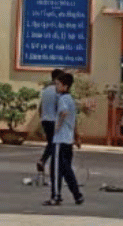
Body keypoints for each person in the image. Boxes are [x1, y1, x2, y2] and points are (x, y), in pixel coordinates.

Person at [44, 72, 84, 207]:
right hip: (68, 140)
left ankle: (56, 196)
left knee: (55, 170)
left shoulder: (62, 99)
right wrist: (76, 137)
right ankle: (77, 195)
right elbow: (74, 119)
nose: (56, 86)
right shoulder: (70, 99)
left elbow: (63, 112)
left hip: (60, 140)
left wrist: (57, 126)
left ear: (65, 86)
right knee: (66, 170)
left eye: (58, 84)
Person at [37, 69, 63, 173]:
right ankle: (45, 162)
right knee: (55, 144)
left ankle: (45, 162)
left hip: (45, 120)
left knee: (51, 143)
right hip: (54, 120)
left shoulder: (45, 90)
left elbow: (40, 107)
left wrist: (41, 120)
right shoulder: (57, 90)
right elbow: (60, 107)